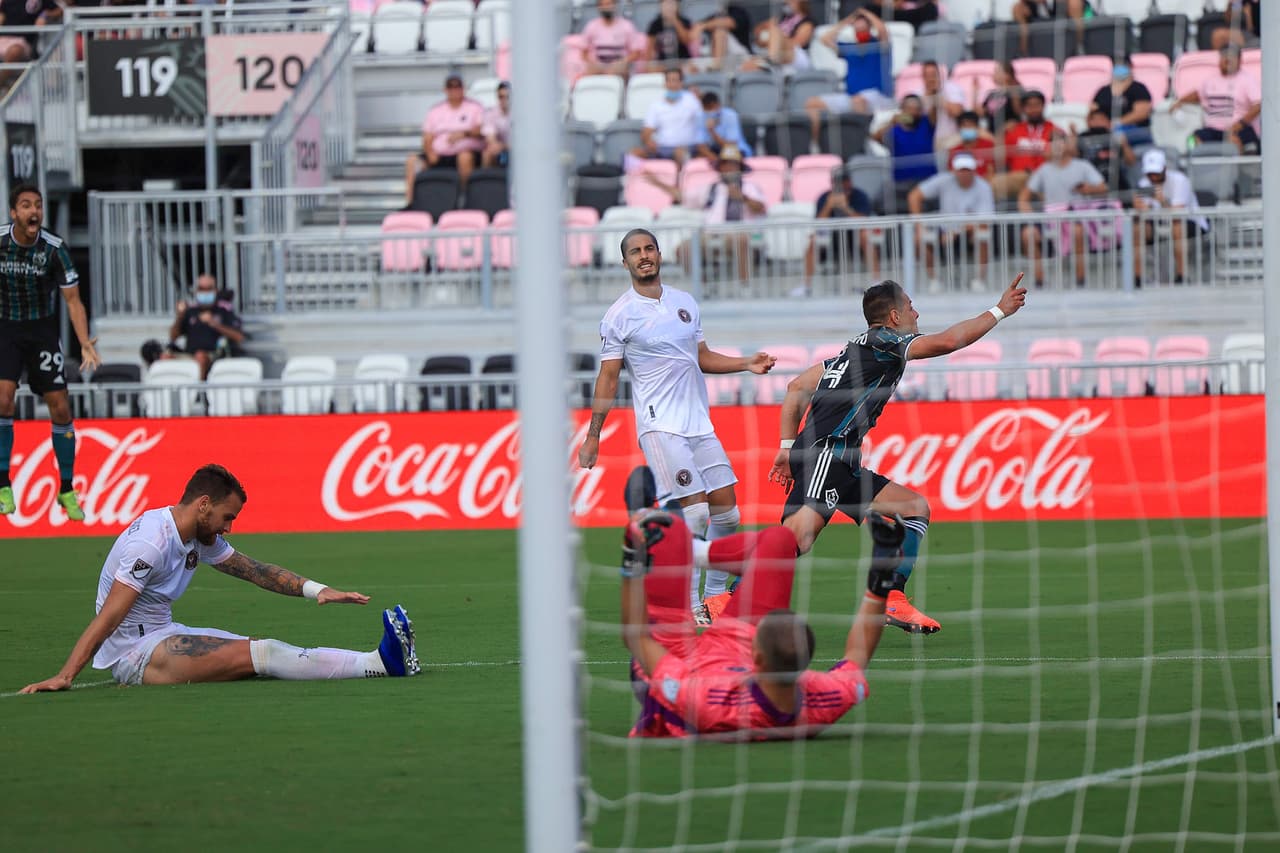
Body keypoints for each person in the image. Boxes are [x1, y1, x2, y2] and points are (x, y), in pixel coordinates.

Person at [766, 276, 1028, 634]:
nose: (916, 313)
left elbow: (797, 386)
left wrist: (786, 449)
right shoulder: (885, 342)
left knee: (912, 509)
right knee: (796, 538)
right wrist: (1000, 310)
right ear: (893, 316)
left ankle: (891, 597)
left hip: (832, 456)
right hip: (828, 452)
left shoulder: (852, 349)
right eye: (910, 307)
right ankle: (727, 595)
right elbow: (948, 341)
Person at [19, 464, 420, 694]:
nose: (228, 528)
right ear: (204, 505)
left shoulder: (196, 533)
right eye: (228, 517)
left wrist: (319, 589)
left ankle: (380, 662)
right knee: (268, 654)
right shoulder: (151, 544)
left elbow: (254, 571)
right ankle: (380, 664)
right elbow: (107, 618)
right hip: (137, 655)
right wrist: (65, 675)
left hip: (163, 634)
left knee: (262, 653)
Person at [578, 228, 776, 624]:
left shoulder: (684, 303)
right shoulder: (619, 315)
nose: (643, 255)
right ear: (625, 263)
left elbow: (700, 356)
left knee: (728, 515)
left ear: (659, 254)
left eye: (649, 248)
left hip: (699, 424)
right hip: (659, 425)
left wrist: (745, 364)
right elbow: (608, 377)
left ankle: (715, 598)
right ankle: (686, 609)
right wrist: (593, 434)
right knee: (696, 514)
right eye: (635, 252)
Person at [620, 469, 906, 739]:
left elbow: (636, 637)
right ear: (804, 673)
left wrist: (633, 559)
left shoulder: (711, 702)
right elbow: (857, 656)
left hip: (680, 667)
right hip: (735, 646)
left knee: (660, 535)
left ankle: (647, 522)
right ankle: (697, 551)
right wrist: (880, 579)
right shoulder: (820, 697)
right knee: (781, 540)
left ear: (756, 658)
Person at [0, 183, 100, 521]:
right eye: (26, 205)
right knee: (3, 398)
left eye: (38, 205)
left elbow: (73, 301)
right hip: (6, 328)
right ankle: (3, 483)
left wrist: (84, 341)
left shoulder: (55, 248)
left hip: (42, 332)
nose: (34, 212)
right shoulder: (0, 242)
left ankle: (67, 488)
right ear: (14, 212)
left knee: (59, 406)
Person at [642, 144, 768, 282]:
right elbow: (683, 197)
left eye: (732, 165)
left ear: (739, 168)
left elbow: (760, 208)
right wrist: (658, 183)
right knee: (683, 250)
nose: (728, 169)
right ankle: (703, 286)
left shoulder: (750, 188)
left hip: (739, 233)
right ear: (720, 168)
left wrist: (743, 198)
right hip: (711, 233)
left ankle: (745, 286)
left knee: (739, 240)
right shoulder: (711, 188)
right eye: (725, 165)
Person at [1018, 131, 1109, 288]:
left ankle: (1081, 280)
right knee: (1028, 234)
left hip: (1077, 216)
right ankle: (1039, 281)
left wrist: (1086, 189)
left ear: (1068, 144)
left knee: (1077, 231)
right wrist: (1030, 215)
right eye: (1052, 141)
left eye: (1060, 141)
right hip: (1050, 218)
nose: (1057, 145)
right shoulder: (1043, 169)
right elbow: (1023, 198)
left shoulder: (1082, 166)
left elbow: (1102, 187)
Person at [908, 152, 996, 293]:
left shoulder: (983, 187)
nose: (964, 173)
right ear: (954, 170)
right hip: (944, 229)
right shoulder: (944, 180)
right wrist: (919, 225)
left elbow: (985, 220)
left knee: (983, 235)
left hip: (968, 231)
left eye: (968, 170)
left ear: (974, 170)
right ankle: (934, 280)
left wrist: (957, 231)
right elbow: (914, 196)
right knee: (919, 238)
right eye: (961, 169)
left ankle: (979, 280)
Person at [803, 6, 893, 144]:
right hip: (851, 97)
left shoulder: (878, 45)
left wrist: (866, 13)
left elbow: (882, 30)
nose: (859, 31)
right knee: (812, 104)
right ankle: (815, 145)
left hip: (878, 97)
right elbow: (825, 39)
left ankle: (862, 143)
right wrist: (847, 21)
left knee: (858, 101)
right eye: (857, 29)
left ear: (869, 28)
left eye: (863, 28)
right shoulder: (850, 48)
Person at [404, 73, 486, 205]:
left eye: (457, 87)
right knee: (412, 161)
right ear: (445, 90)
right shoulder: (436, 110)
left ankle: (464, 198)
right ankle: (411, 202)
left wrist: (463, 134)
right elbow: (427, 135)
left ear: (463, 88)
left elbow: (482, 130)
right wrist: (430, 152)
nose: (454, 90)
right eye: (451, 87)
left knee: (465, 157)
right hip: (440, 154)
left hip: (465, 152)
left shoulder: (475, 107)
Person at [1131, 149, 1207, 287]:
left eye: (1156, 172)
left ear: (1164, 168)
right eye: (1150, 173)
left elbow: (1178, 212)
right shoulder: (1143, 184)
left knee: (1177, 225)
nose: (1153, 177)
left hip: (1190, 222)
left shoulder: (1180, 180)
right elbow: (1144, 211)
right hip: (1160, 222)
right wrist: (1139, 206)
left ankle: (1182, 275)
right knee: (1138, 229)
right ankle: (1137, 277)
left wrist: (1162, 201)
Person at [801, 167, 880, 294]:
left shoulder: (859, 196)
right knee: (813, 240)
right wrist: (828, 206)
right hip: (830, 238)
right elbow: (818, 223)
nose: (842, 185)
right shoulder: (824, 197)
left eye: (844, 181)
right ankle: (806, 286)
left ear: (849, 182)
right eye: (838, 182)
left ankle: (877, 282)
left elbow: (864, 219)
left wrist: (846, 208)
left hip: (854, 236)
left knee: (866, 237)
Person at [1171, 45, 1261, 155]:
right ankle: (1194, 165)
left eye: (1232, 57)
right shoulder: (1211, 80)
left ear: (1239, 60)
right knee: (1192, 140)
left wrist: (1240, 124)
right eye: (1224, 57)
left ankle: (1236, 170)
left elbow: (1258, 105)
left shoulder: (1247, 80)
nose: (1228, 60)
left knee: (1232, 142)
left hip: (1238, 128)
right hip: (1213, 129)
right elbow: (1198, 94)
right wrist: (1180, 101)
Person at [169, 274, 245, 379]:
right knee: (165, 357)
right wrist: (180, 316)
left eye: (209, 289)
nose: (205, 292)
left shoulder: (224, 310)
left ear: (216, 290)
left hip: (213, 355)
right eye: (201, 289)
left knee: (200, 356)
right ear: (196, 291)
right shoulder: (190, 311)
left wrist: (214, 324)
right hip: (189, 354)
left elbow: (239, 337)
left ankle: (199, 393)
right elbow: (173, 337)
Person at [870, 95, 936, 205]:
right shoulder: (895, 130)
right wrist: (892, 122)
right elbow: (875, 137)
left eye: (917, 109)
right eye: (909, 109)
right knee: (880, 200)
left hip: (927, 181)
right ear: (902, 110)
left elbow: (935, 112)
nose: (913, 112)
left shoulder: (926, 123)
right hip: (901, 183)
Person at [993, 90, 1056, 200]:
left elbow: (1063, 158)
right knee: (996, 183)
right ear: (1023, 109)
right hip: (1020, 176)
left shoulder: (1054, 130)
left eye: (1037, 105)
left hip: (1046, 175)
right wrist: (1001, 133)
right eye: (1029, 106)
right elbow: (1000, 160)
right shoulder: (1014, 130)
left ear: (1043, 106)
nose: (1034, 109)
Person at [631, 67, 702, 165]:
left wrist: (699, 97)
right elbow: (647, 131)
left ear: (681, 83)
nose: (672, 84)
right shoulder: (656, 105)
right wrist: (648, 141)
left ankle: (679, 178)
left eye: (675, 80)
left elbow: (702, 122)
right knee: (634, 154)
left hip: (685, 146)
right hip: (662, 147)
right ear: (665, 83)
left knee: (679, 154)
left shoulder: (691, 100)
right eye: (669, 80)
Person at [1090, 60, 1152, 147]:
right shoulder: (1103, 91)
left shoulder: (1139, 88)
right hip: (1106, 131)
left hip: (1134, 129)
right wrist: (1102, 124)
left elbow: (1142, 113)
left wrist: (1116, 123)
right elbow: (1092, 112)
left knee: (1116, 136)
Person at [1074, 108, 1135, 193]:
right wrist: (1073, 135)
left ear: (1108, 122)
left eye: (1102, 119)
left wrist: (1125, 145)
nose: (1098, 122)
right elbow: (1073, 160)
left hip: (1116, 181)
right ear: (1088, 122)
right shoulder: (1082, 137)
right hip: (1091, 184)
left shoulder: (1115, 137)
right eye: (1094, 119)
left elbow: (1131, 161)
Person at [744, 0, 815, 72]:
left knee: (774, 30)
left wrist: (779, 38)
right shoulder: (782, 18)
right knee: (748, 66)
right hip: (776, 54)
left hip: (796, 57)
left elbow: (797, 43)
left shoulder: (807, 22)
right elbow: (757, 30)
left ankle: (771, 60)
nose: (786, 3)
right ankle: (770, 61)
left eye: (791, 2)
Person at [581, 0, 642, 77]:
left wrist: (623, 62)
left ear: (615, 5)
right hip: (598, 67)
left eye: (609, 4)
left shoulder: (627, 26)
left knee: (621, 69)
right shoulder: (591, 26)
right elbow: (583, 53)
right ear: (598, 7)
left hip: (620, 67)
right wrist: (594, 63)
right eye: (603, 5)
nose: (606, 7)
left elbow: (636, 52)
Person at [1012, 0, 1091, 56]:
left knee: (1074, 3)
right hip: (1045, 10)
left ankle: (1079, 47)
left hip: (1076, 11)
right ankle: (1023, 53)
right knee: (1018, 8)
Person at [692, 2, 753, 71]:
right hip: (715, 56)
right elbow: (695, 28)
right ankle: (715, 66)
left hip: (740, 56)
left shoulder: (738, 11)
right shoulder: (715, 15)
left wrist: (704, 26)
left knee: (720, 32)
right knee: (691, 67)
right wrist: (699, 28)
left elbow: (731, 22)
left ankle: (717, 67)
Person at [694, 91, 754, 160]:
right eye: (706, 109)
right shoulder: (700, 117)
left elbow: (731, 146)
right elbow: (700, 146)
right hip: (713, 150)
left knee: (730, 156)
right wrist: (716, 161)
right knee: (698, 156)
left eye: (711, 107)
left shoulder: (730, 115)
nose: (709, 112)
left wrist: (712, 131)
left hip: (735, 149)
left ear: (717, 105)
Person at [918, 60, 966, 146]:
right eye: (927, 75)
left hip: (953, 137)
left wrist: (937, 95)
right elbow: (929, 121)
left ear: (939, 74)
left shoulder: (952, 88)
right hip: (932, 140)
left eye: (933, 74)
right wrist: (930, 97)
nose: (930, 79)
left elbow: (957, 112)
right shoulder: (919, 94)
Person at [978, 61, 1025, 139]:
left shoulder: (1017, 90)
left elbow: (1019, 112)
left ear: (1007, 75)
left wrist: (1011, 88)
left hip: (1009, 130)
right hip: (991, 132)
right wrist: (975, 92)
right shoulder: (992, 94)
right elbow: (981, 112)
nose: (993, 75)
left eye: (997, 72)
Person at [947, 111, 997, 181]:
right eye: (964, 125)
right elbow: (952, 176)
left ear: (977, 127)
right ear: (959, 128)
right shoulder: (954, 151)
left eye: (970, 125)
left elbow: (991, 172)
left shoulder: (988, 146)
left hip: (985, 186)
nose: (967, 128)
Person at [645, 0, 693, 70]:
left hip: (682, 60)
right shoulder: (655, 24)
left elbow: (686, 40)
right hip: (662, 62)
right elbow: (649, 48)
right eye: (666, 4)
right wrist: (648, 65)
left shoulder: (685, 22)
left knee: (691, 69)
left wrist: (675, 21)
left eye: (672, 4)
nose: (669, 7)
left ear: (677, 6)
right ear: (661, 6)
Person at [481, 81, 511, 168]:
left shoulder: (522, 113)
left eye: (507, 97)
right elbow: (490, 137)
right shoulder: (491, 113)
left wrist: (503, 146)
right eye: (501, 97)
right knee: (488, 153)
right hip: (502, 149)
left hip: (518, 150)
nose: (504, 100)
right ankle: (486, 180)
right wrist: (497, 146)